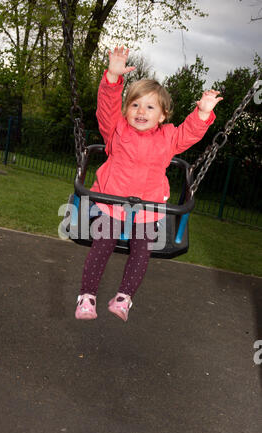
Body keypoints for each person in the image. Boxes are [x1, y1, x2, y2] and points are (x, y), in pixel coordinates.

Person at [75, 46, 223, 322]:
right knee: (103, 244)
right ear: (126, 110)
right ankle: (87, 296)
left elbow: (189, 133)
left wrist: (202, 113)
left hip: (147, 208)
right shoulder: (115, 129)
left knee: (143, 251)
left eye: (149, 106)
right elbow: (106, 107)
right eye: (134, 105)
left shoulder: (168, 138)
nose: (141, 111)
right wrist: (112, 78)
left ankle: (124, 297)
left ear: (163, 115)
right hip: (111, 204)